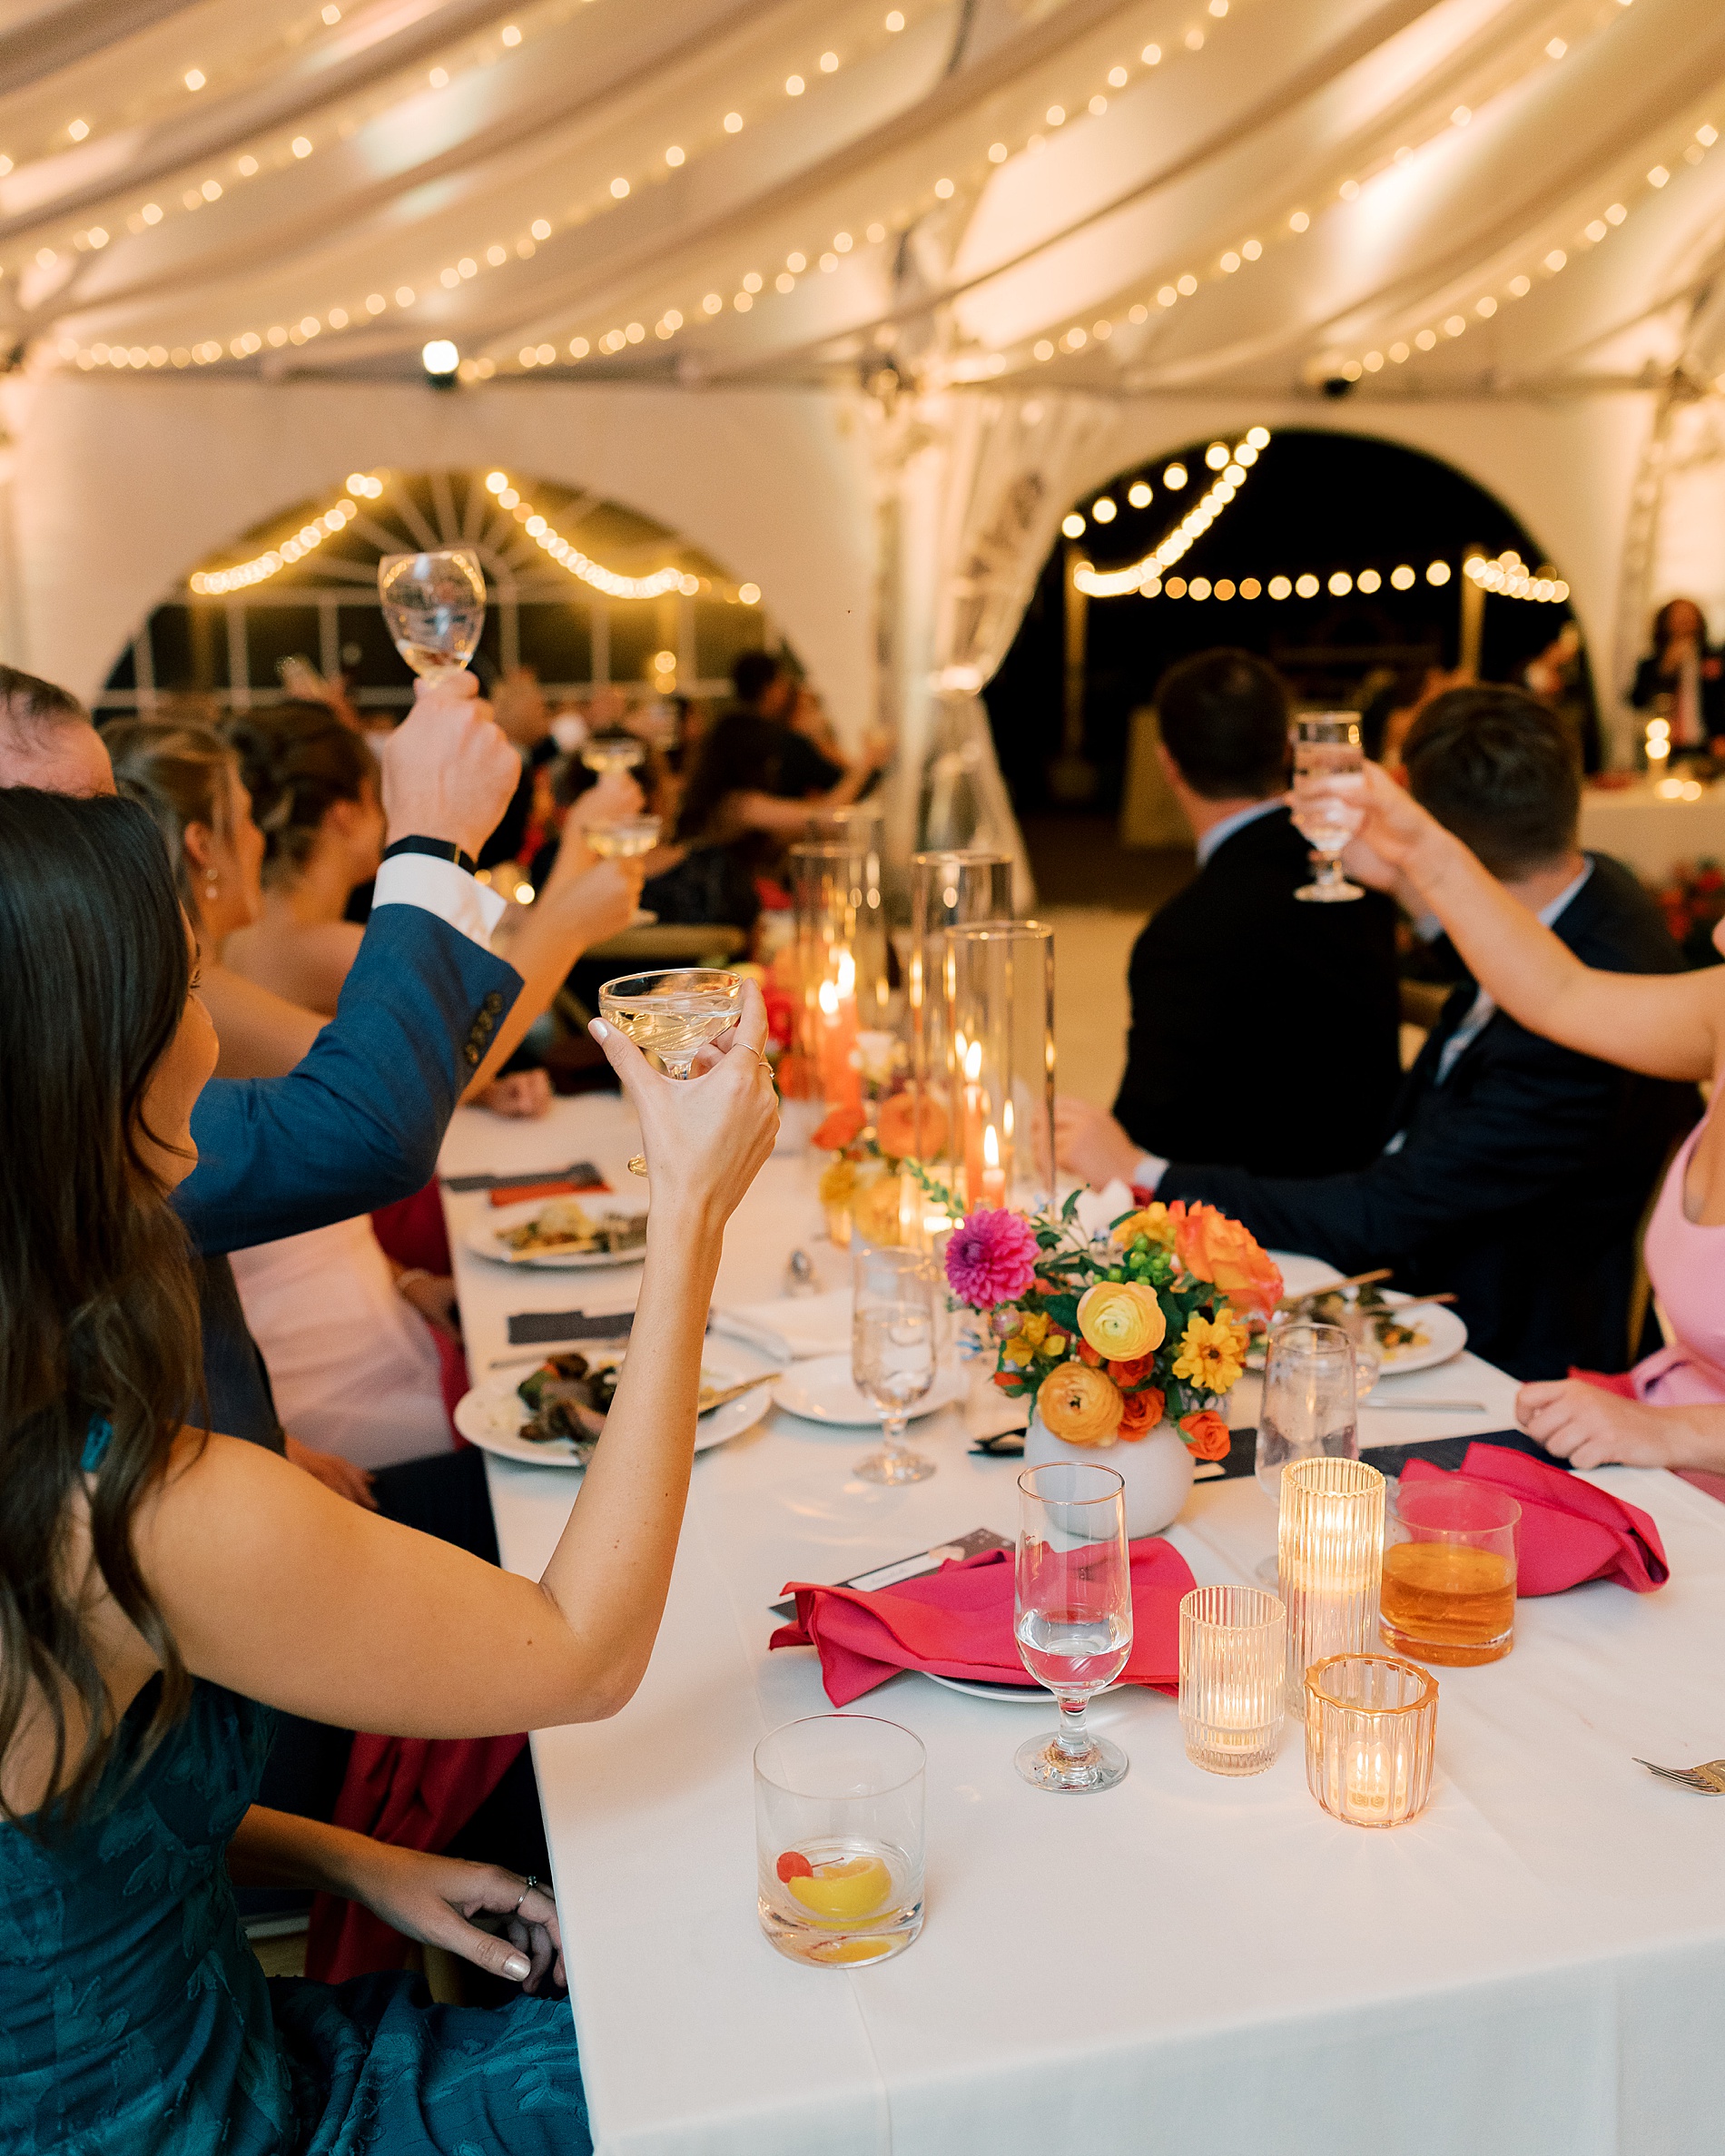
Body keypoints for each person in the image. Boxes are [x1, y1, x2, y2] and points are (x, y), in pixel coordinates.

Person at [0, 785, 779, 2155]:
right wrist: (690, 1219)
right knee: (773, 2067)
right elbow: (583, 1653)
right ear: (99, 1069)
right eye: (191, 990)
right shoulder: (138, 1504)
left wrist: (348, 1854)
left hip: (183, 2046)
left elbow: (55, 1840)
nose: (218, 1038)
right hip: (233, 2120)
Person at [0, 663, 524, 1466]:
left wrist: (272, 1443)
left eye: (115, 823)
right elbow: (362, 1124)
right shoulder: (60, 1100)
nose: (116, 862)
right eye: (64, 834)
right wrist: (431, 843)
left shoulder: (119, 1032)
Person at [110, 708, 645, 1469]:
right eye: (242, 820)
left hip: (366, 1322)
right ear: (205, 847)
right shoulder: (207, 992)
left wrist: (403, 1280)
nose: (259, 839)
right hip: (325, 1377)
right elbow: (389, 1092)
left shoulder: (221, 974)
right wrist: (560, 918)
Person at [1123, 686, 1699, 1381]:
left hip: (1496, 1342)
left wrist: (1148, 1172)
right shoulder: (1601, 892)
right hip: (1454, 1254)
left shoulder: (1570, 1037)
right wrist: (1413, 888)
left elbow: (1381, 1215)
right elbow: (1513, 961)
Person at [1316, 726, 1725, 1474]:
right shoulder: (1719, 1009)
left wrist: (1676, 1434)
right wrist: (1421, 846)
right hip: (1648, 1449)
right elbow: (1559, 991)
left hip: (1676, 1456)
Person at [1055, 650, 1402, 1186]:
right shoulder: (1366, 876)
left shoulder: (1184, 934)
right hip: (1373, 1178)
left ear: (1167, 764)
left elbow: (1142, 1144)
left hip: (1252, 1225)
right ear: (1287, 749)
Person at [1631, 598, 1725, 754]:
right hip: (1663, 745)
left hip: (1710, 742)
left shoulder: (1714, 658)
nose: (1684, 620)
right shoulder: (1651, 664)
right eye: (1678, 615)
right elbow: (1638, 700)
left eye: (1689, 614)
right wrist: (1665, 668)